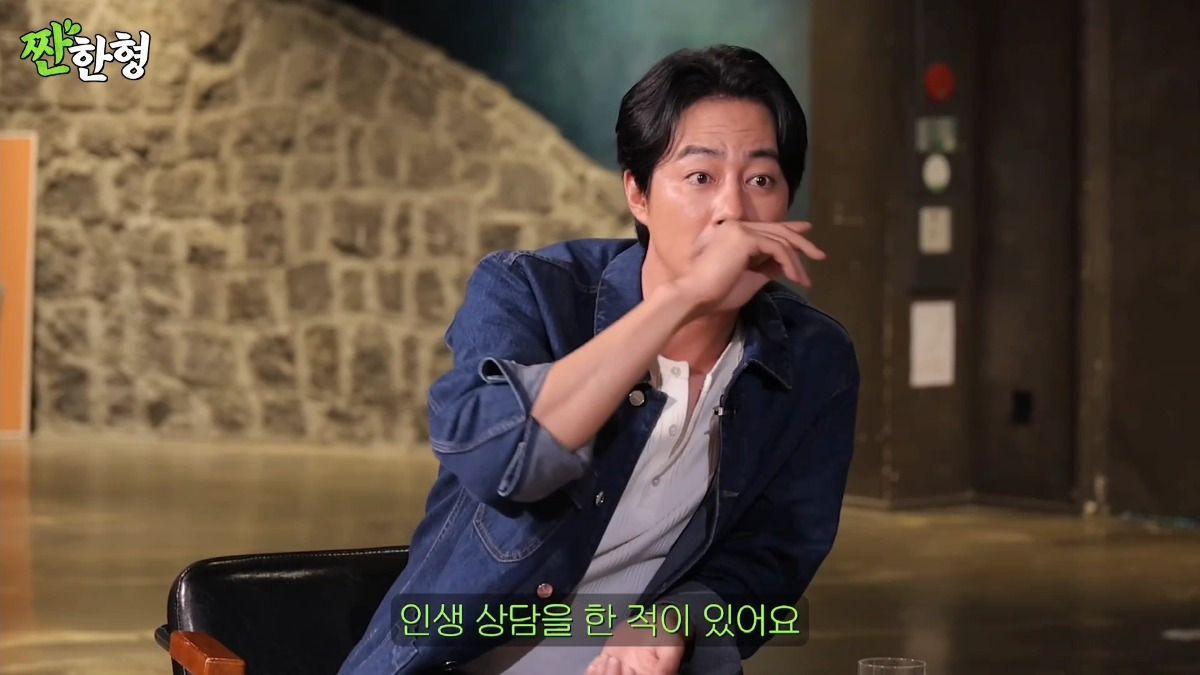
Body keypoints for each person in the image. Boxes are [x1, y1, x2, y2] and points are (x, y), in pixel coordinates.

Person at [339, 44, 859, 675]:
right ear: (638, 194)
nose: (733, 210)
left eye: (761, 181)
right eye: (700, 177)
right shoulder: (530, 291)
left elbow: (775, 560)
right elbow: (503, 464)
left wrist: (677, 621)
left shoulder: (815, 358)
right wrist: (683, 299)